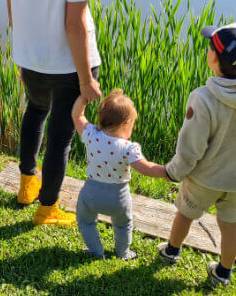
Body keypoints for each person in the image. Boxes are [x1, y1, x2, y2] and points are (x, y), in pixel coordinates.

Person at [4, 0, 101, 226]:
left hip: (30, 58)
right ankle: (47, 209)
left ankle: (27, 186)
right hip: (67, 65)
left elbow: (14, 10)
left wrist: (23, 56)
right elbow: (74, 24)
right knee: (60, 139)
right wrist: (86, 78)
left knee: (35, 113)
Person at [158, 23, 236, 287]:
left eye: (211, 46)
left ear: (214, 58)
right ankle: (223, 273)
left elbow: (191, 147)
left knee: (185, 213)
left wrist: (175, 171)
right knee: (230, 226)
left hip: (204, 179)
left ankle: (171, 251)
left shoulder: (203, 97)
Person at [71, 89, 167, 259]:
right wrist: (167, 172)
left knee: (86, 222)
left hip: (90, 195)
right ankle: (123, 253)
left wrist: (84, 98)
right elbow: (146, 168)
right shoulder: (128, 148)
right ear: (125, 125)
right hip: (118, 199)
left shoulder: (91, 135)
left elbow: (77, 115)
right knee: (123, 226)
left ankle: (96, 251)